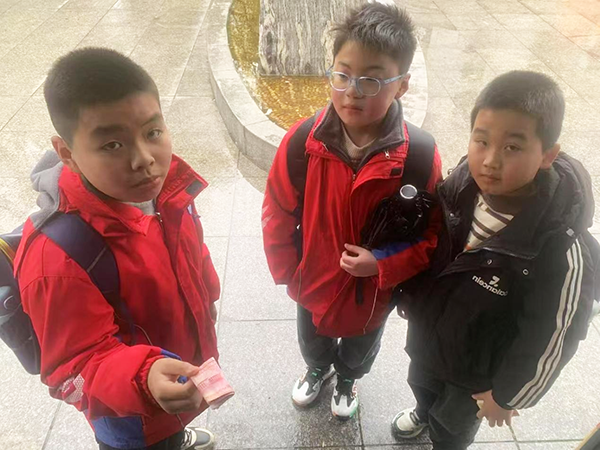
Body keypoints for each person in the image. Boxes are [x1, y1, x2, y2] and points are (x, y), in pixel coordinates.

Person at [13, 47, 221, 450]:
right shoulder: (57, 256)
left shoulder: (166, 193)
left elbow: (194, 251)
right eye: (112, 145)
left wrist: (208, 293)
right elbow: (72, 368)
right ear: (67, 154)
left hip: (177, 375)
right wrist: (144, 379)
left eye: (152, 132)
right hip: (131, 419)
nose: (144, 160)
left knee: (170, 433)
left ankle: (176, 435)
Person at [392, 71, 596, 449]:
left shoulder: (558, 248)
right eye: (481, 141)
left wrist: (506, 396)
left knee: (452, 428)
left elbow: (553, 337)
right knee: (421, 384)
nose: (490, 161)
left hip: (476, 373)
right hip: (429, 339)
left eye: (512, 147)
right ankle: (423, 411)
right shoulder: (458, 187)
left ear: (548, 155)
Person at [261, 3, 442, 420]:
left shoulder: (419, 155)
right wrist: (289, 272)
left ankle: (347, 378)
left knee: (362, 345)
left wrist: (382, 264)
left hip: (372, 290)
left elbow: (430, 235)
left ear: (402, 85)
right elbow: (277, 210)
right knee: (311, 337)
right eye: (342, 75)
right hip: (313, 279)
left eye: (372, 80)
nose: (352, 90)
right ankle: (317, 369)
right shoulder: (303, 142)